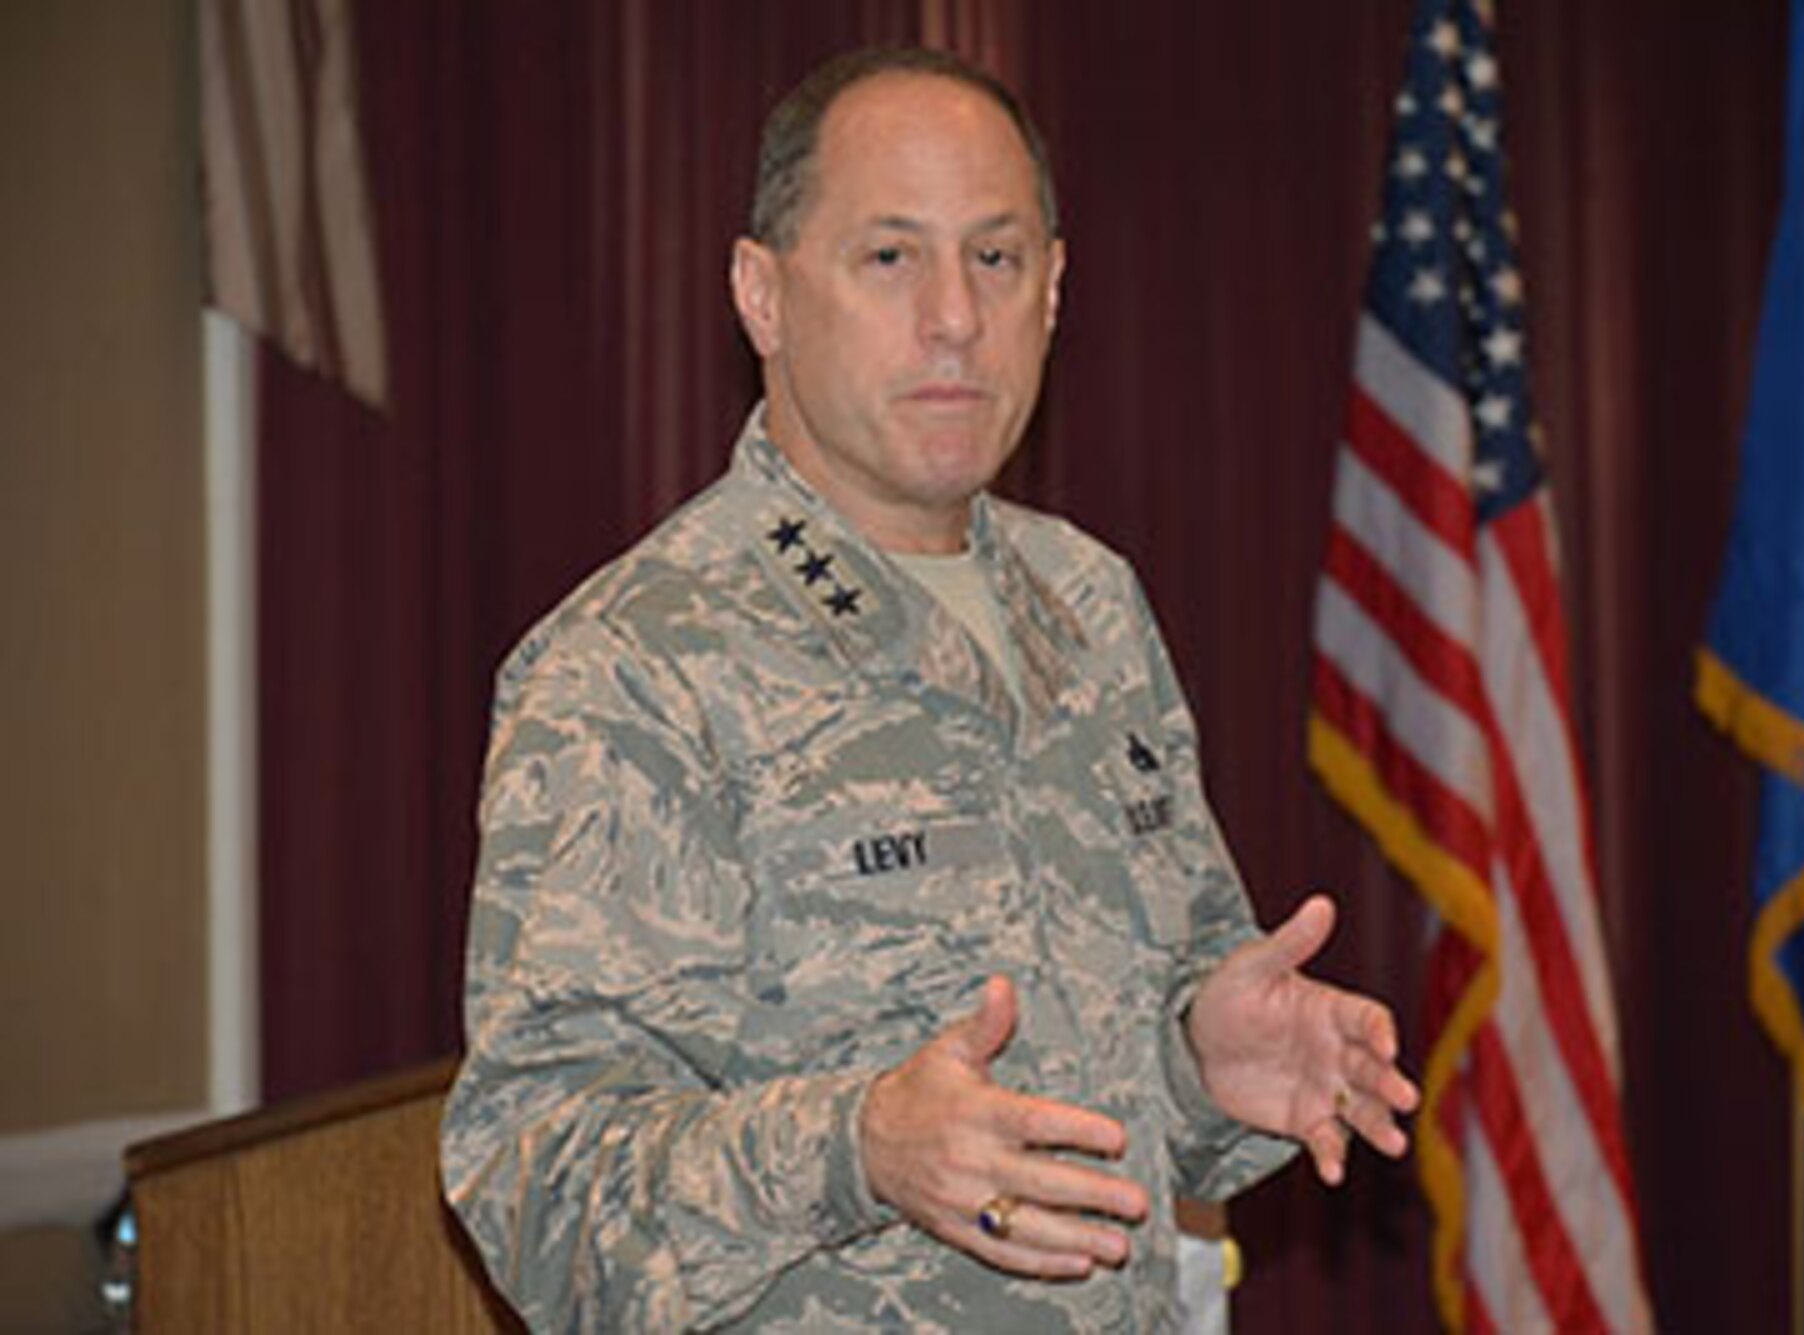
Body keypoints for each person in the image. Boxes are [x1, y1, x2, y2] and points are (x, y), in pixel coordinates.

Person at [441, 46, 1419, 1333]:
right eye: (889, 256)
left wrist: (1194, 1068)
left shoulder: (1089, 604)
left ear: (1054, 290)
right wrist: (857, 1148)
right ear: (762, 294)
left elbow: (1123, 1089)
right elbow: (534, 1184)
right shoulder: (636, 662)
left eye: (996, 258)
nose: (954, 315)